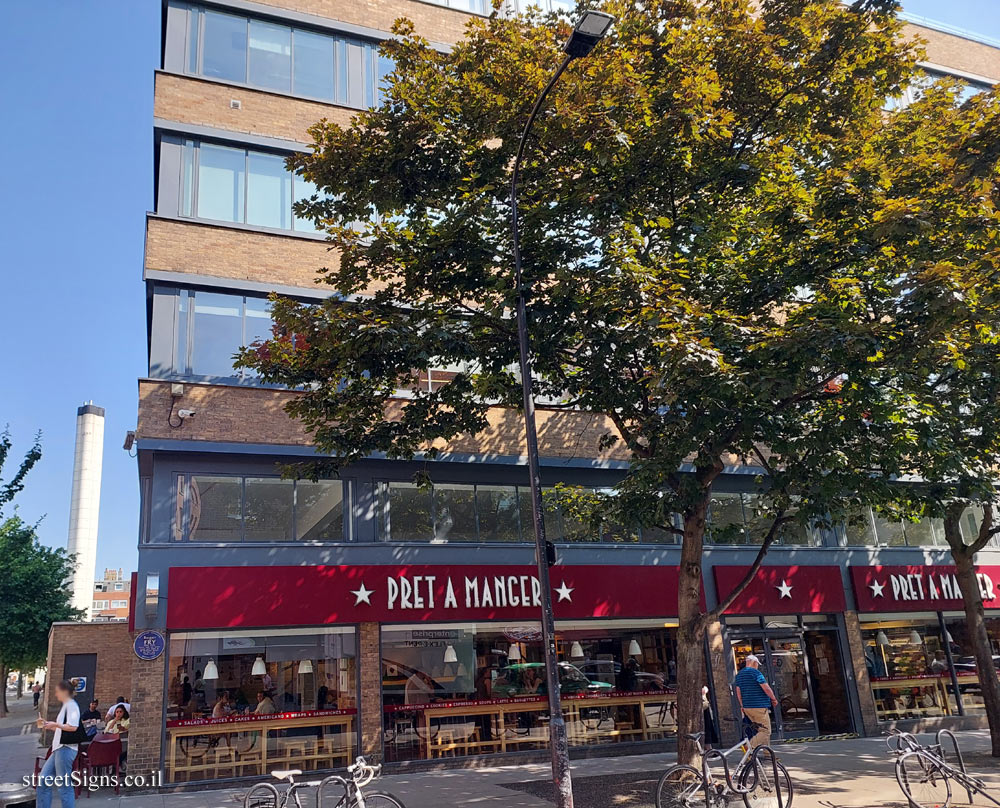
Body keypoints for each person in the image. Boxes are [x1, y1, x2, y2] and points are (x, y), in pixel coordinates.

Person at [36, 679, 86, 808]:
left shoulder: (72, 705)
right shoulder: (66, 706)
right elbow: (63, 728)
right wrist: (49, 724)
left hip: (65, 749)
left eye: (58, 691)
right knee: (43, 781)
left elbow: (73, 727)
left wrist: (56, 724)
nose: (56, 694)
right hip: (59, 748)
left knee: (63, 786)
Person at [734, 655, 778, 749]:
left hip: (747, 707)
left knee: (760, 731)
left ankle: (767, 754)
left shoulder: (739, 675)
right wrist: (773, 699)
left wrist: (742, 705)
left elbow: (738, 693)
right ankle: (749, 746)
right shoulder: (755, 673)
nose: (757, 666)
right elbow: (766, 688)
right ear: (754, 662)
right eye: (757, 664)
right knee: (766, 731)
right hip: (759, 706)